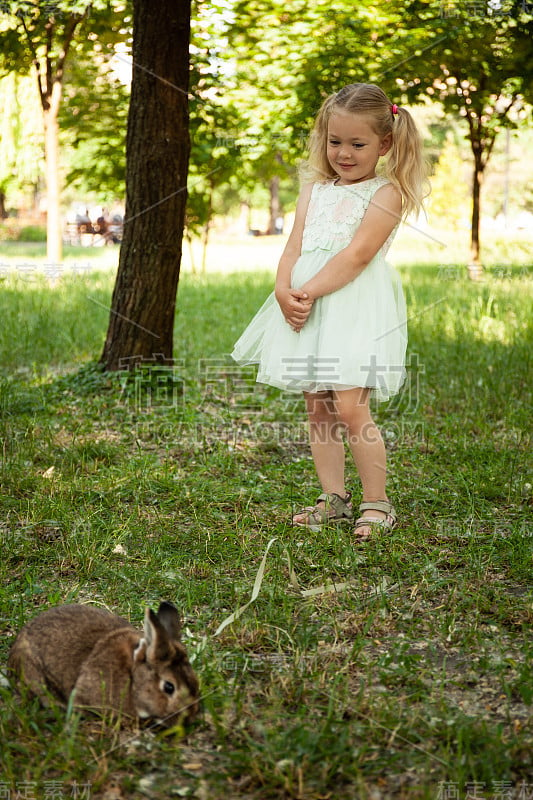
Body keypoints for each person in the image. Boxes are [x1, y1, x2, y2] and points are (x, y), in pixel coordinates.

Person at [232, 83, 428, 541]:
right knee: (317, 407)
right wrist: (284, 290)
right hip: (306, 306)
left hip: (350, 308)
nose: (343, 152)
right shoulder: (315, 189)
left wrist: (307, 293)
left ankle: (377, 502)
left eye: (357, 144)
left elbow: (357, 256)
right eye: (334, 141)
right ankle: (334, 498)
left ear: (385, 143)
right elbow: (293, 247)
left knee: (350, 406)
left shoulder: (387, 194)